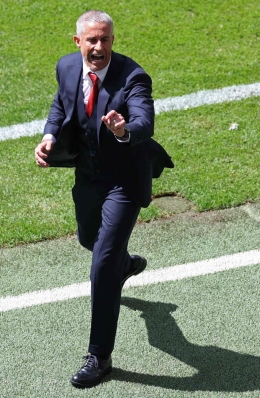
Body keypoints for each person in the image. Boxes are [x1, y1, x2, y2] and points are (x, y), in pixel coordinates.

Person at [34, 9, 173, 388]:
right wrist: (49, 136)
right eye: (91, 40)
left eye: (105, 39)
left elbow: (145, 120)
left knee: (102, 265)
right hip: (89, 177)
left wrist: (125, 129)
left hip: (125, 182)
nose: (98, 47)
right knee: (88, 240)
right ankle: (124, 264)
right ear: (77, 42)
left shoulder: (133, 77)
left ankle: (99, 356)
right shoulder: (66, 67)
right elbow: (61, 105)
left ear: (113, 40)